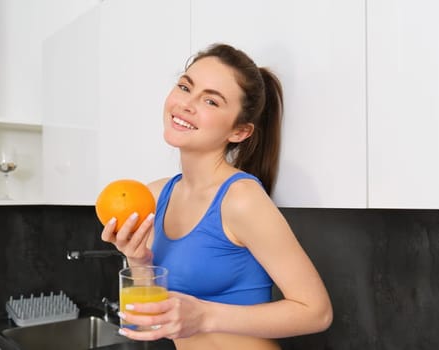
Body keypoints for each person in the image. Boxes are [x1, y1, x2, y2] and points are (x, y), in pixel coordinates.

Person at [100, 43, 333, 349]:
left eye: (211, 101)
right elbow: (158, 316)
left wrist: (205, 316)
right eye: (185, 87)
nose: (186, 104)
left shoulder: (241, 199)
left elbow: (316, 312)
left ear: (239, 132)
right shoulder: (156, 195)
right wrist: (139, 260)